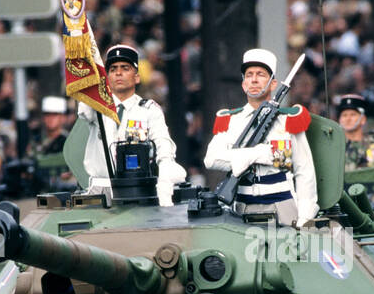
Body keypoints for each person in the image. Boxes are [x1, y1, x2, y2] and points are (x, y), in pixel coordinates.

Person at [204, 48, 318, 226]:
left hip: (281, 206)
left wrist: (305, 216)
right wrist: (252, 154)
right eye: (249, 75)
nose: (254, 80)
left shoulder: (287, 120)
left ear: (273, 84)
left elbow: (304, 171)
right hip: (242, 208)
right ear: (243, 84)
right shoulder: (231, 119)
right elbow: (211, 159)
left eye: (261, 74)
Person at [78, 44, 185, 205]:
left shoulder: (148, 109)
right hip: (100, 191)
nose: (118, 73)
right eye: (113, 69)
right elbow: (84, 109)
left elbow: (163, 143)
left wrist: (166, 168)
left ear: (137, 77)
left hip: (136, 190)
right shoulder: (96, 106)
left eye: (125, 68)